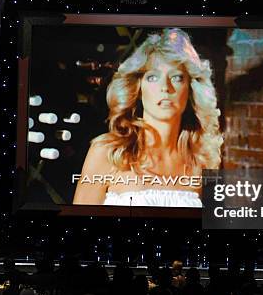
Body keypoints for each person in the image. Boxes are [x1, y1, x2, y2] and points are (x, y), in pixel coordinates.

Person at [73, 28, 222, 207]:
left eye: (176, 77)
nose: (165, 87)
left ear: (190, 89)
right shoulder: (108, 152)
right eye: (153, 77)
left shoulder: (204, 159)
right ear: (138, 88)